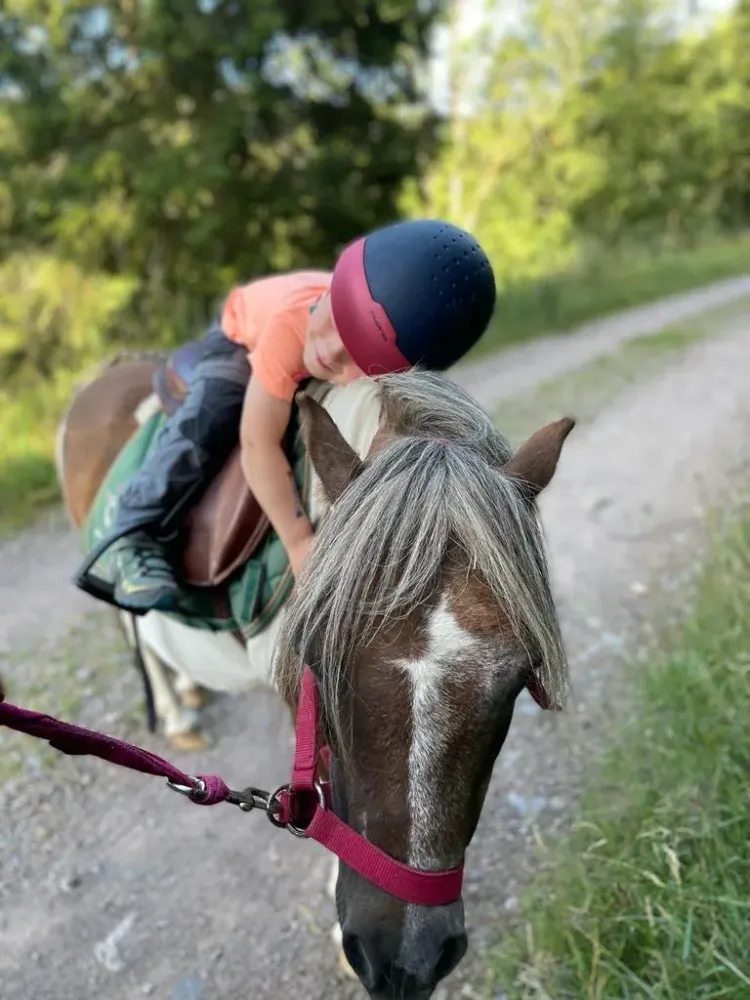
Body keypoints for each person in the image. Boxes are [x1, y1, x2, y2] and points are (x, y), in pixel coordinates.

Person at [79, 218, 497, 614]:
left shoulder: (349, 338)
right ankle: (135, 527)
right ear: (333, 292)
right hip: (238, 334)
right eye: (336, 321)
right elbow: (258, 444)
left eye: (362, 359)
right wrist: (298, 541)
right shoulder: (291, 330)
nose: (330, 353)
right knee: (214, 410)